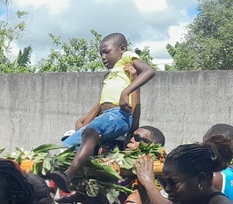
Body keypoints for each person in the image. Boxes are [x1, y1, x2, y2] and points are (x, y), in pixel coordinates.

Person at [50, 32, 156, 192]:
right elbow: (84, 121)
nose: (103, 57)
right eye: (100, 54)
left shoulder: (126, 59)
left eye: (106, 52)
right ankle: (78, 181)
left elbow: (149, 71)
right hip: (106, 117)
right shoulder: (110, 75)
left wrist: (126, 92)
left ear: (122, 49)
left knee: (91, 131)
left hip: (119, 115)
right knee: (68, 145)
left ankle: (69, 174)